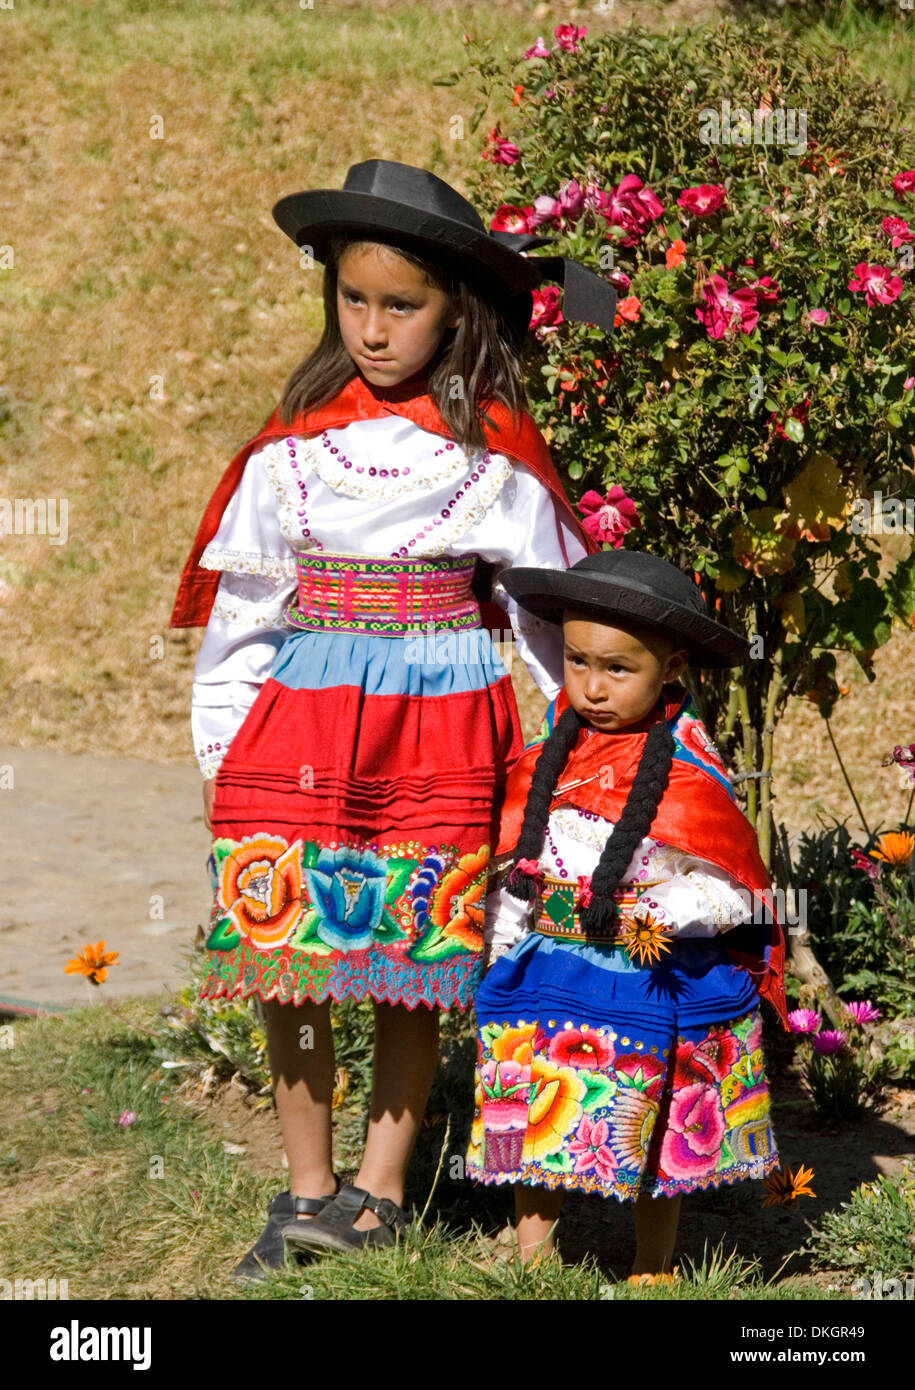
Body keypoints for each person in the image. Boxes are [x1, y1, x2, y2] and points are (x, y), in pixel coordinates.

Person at [169, 160, 617, 1276]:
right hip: (300, 726)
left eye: (402, 306)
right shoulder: (293, 449)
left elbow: (542, 614)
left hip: (442, 721)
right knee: (293, 956)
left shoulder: (493, 453)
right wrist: (223, 740)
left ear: (455, 309)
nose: (373, 329)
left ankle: (378, 1189)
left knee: (411, 951)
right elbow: (247, 605)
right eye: (353, 300)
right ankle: (304, 1187)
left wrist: (576, 752)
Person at [466, 549, 788, 1272]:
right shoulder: (549, 753)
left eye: (617, 669)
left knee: (651, 1113)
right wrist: (498, 936)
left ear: (671, 667)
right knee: (526, 1102)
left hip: (648, 972)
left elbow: (731, 886)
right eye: (578, 662)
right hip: (545, 965)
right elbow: (517, 859)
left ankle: (653, 1263)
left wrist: (666, 911)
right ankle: (533, 1256)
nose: (591, 686)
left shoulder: (688, 773)